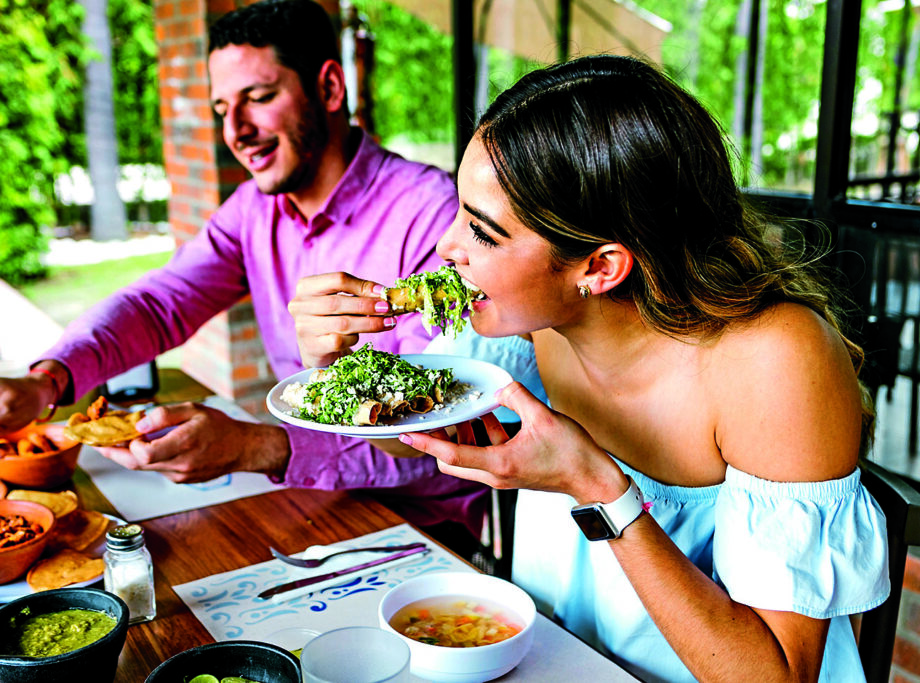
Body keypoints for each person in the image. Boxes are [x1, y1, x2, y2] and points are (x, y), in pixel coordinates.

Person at [289, 55, 889, 682]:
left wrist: (599, 488)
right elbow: (428, 442)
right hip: (558, 659)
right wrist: (339, 375)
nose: (446, 248)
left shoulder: (776, 360)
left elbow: (775, 678)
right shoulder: (532, 318)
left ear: (600, 268)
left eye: (483, 231)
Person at [0, 0, 489, 551]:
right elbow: (161, 303)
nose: (236, 131)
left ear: (330, 89)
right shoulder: (253, 209)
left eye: (259, 98)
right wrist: (47, 381)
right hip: (306, 504)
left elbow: (443, 438)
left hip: (425, 535)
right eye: (223, 108)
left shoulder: (432, 215)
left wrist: (257, 448)